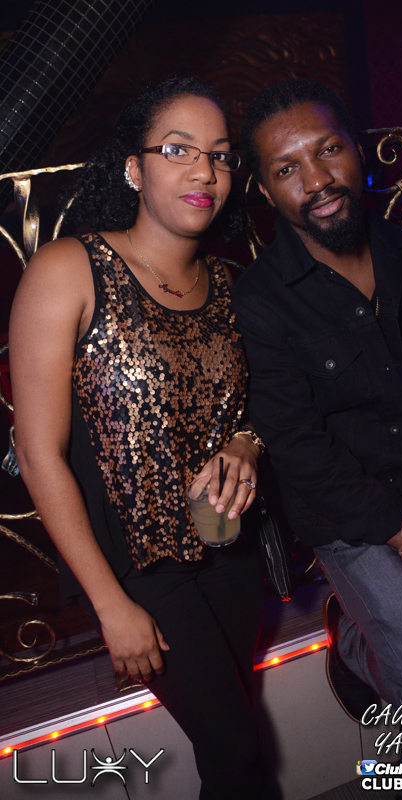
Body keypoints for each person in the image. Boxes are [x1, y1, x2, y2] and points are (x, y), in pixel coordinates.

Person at [232, 78, 402, 792]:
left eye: (328, 150)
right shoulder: (260, 303)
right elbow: (300, 451)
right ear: (264, 190)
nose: (316, 180)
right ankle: (360, 644)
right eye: (287, 168)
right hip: (351, 520)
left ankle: (361, 649)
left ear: (357, 151)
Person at [9, 76, 272, 800]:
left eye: (220, 155)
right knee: (237, 751)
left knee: (233, 748)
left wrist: (246, 445)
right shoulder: (69, 269)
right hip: (136, 568)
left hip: (229, 550)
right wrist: (109, 604)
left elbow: (258, 410)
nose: (204, 172)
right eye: (178, 150)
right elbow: (37, 453)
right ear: (134, 167)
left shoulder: (232, 285)